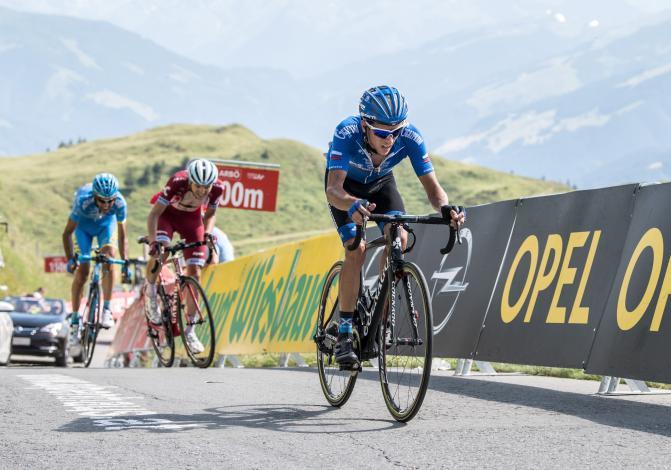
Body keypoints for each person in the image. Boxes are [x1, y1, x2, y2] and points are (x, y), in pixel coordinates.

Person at [324, 85, 465, 366]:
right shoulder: (346, 132)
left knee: (398, 237)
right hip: (346, 190)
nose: (390, 140)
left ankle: (382, 314)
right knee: (357, 247)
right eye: (383, 133)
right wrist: (351, 204)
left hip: (381, 185)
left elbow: (433, 188)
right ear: (365, 125)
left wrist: (446, 208)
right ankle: (343, 332)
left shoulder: (411, 137)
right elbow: (333, 190)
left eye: (396, 132)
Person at [144, 158, 223, 353]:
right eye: (198, 186)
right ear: (189, 181)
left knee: (195, 272)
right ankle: (151, 293)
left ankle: (190, 330)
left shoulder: (218, 188)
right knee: (161, 252)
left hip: (192, 220)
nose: (203, 191)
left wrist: (208, 233)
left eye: (207, 187)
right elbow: (154, 215)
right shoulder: (177, 182)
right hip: (167, 216)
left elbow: (210, 214)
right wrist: (154, 242)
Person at [63, 173, 129, 331]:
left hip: (105, 227)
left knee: (109, 259)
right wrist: (71, 259)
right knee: (83, 272)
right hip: (83, 229)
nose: (106, 205)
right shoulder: (82, 202)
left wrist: (125, 261)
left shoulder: (120, 204)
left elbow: (122, 236)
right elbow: (67, 233)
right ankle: (75, 316)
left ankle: (106, 309)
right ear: (94, 196)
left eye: (110, 201)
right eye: (102, 201)